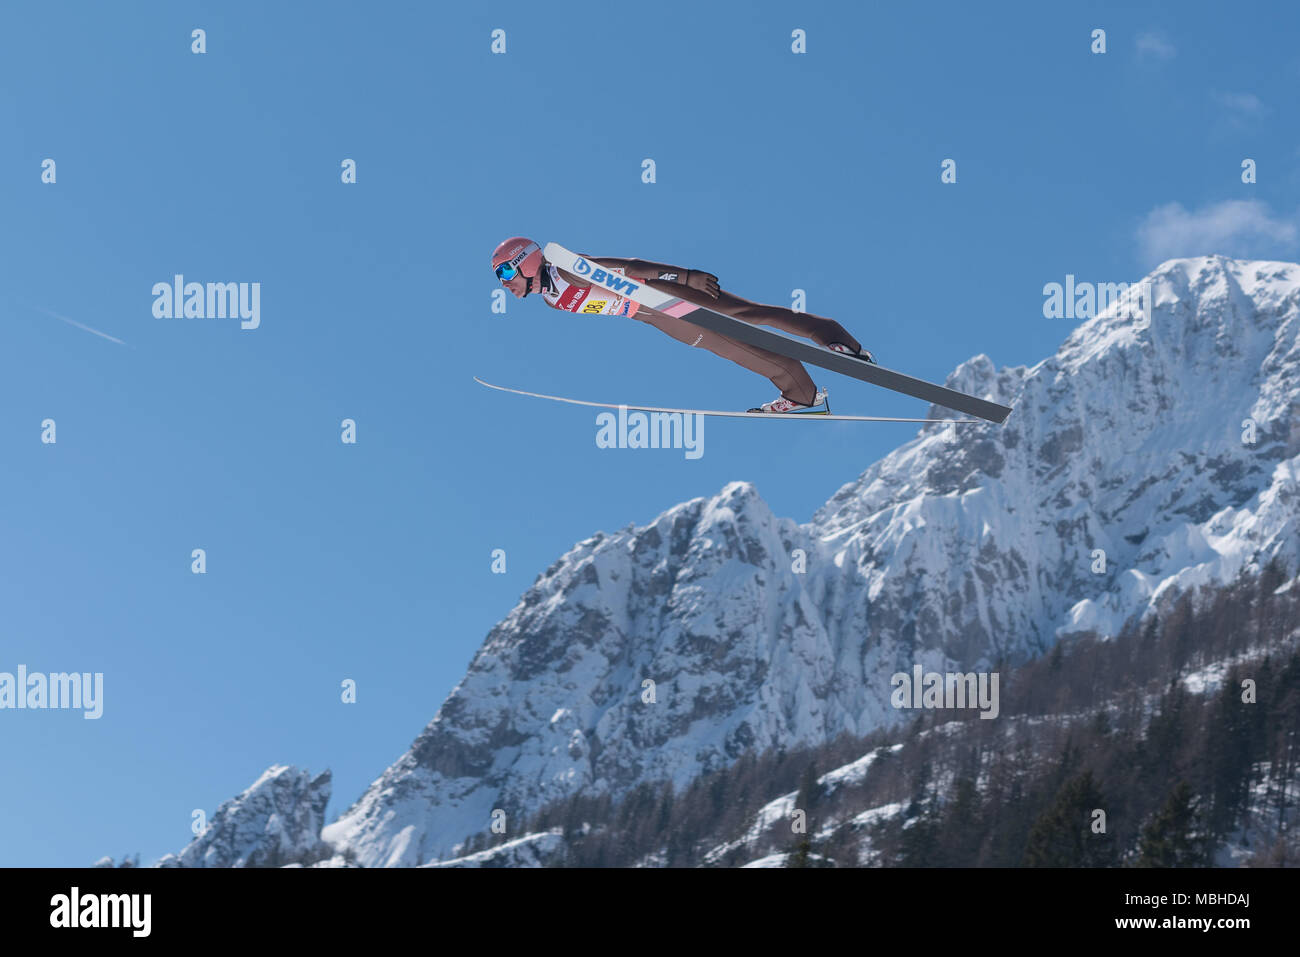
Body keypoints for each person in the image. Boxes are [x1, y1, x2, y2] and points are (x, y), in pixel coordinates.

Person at [490, 237, 875, 413]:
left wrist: (684, 277)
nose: (504, 281)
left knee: (749, 316)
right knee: (735, 349)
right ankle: (802, 394)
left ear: (526, 260)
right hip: (650, 316)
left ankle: (837, 339)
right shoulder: (551, 299)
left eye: (506, 269)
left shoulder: (564, 269)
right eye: (498, 276)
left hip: (658, 293)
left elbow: (628, 267)